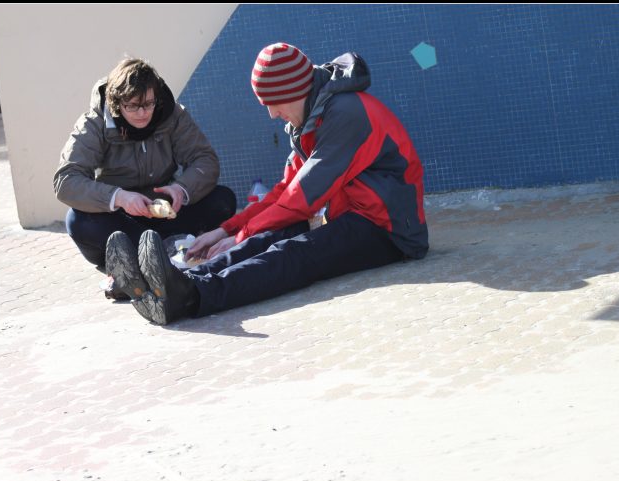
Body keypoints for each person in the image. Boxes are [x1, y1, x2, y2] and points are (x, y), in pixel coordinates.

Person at [106, 42, 428, 324]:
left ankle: (190, 296)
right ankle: (170, 282)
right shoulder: (313, 115)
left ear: (294, 91)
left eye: (274, 102)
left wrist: (240, 235)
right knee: (264, 239)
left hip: (388, 230)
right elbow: (284, 191)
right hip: (347, 214)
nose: (273, 114)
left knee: (292, 253)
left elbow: (302, 198)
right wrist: (227, 230)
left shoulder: (346, 115)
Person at [53, 58, 237, 297]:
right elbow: (66, 181)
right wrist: (119, 197)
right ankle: (161, 255)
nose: (142, 113)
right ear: (117, 103)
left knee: (223, 199)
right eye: (133, 106)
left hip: (166, 212)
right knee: (77, 221)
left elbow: (206, 160)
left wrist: (181, 189)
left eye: (149, 104)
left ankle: (144, 263)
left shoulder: (173, 115)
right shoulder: (94, 122)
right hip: (119, 220)